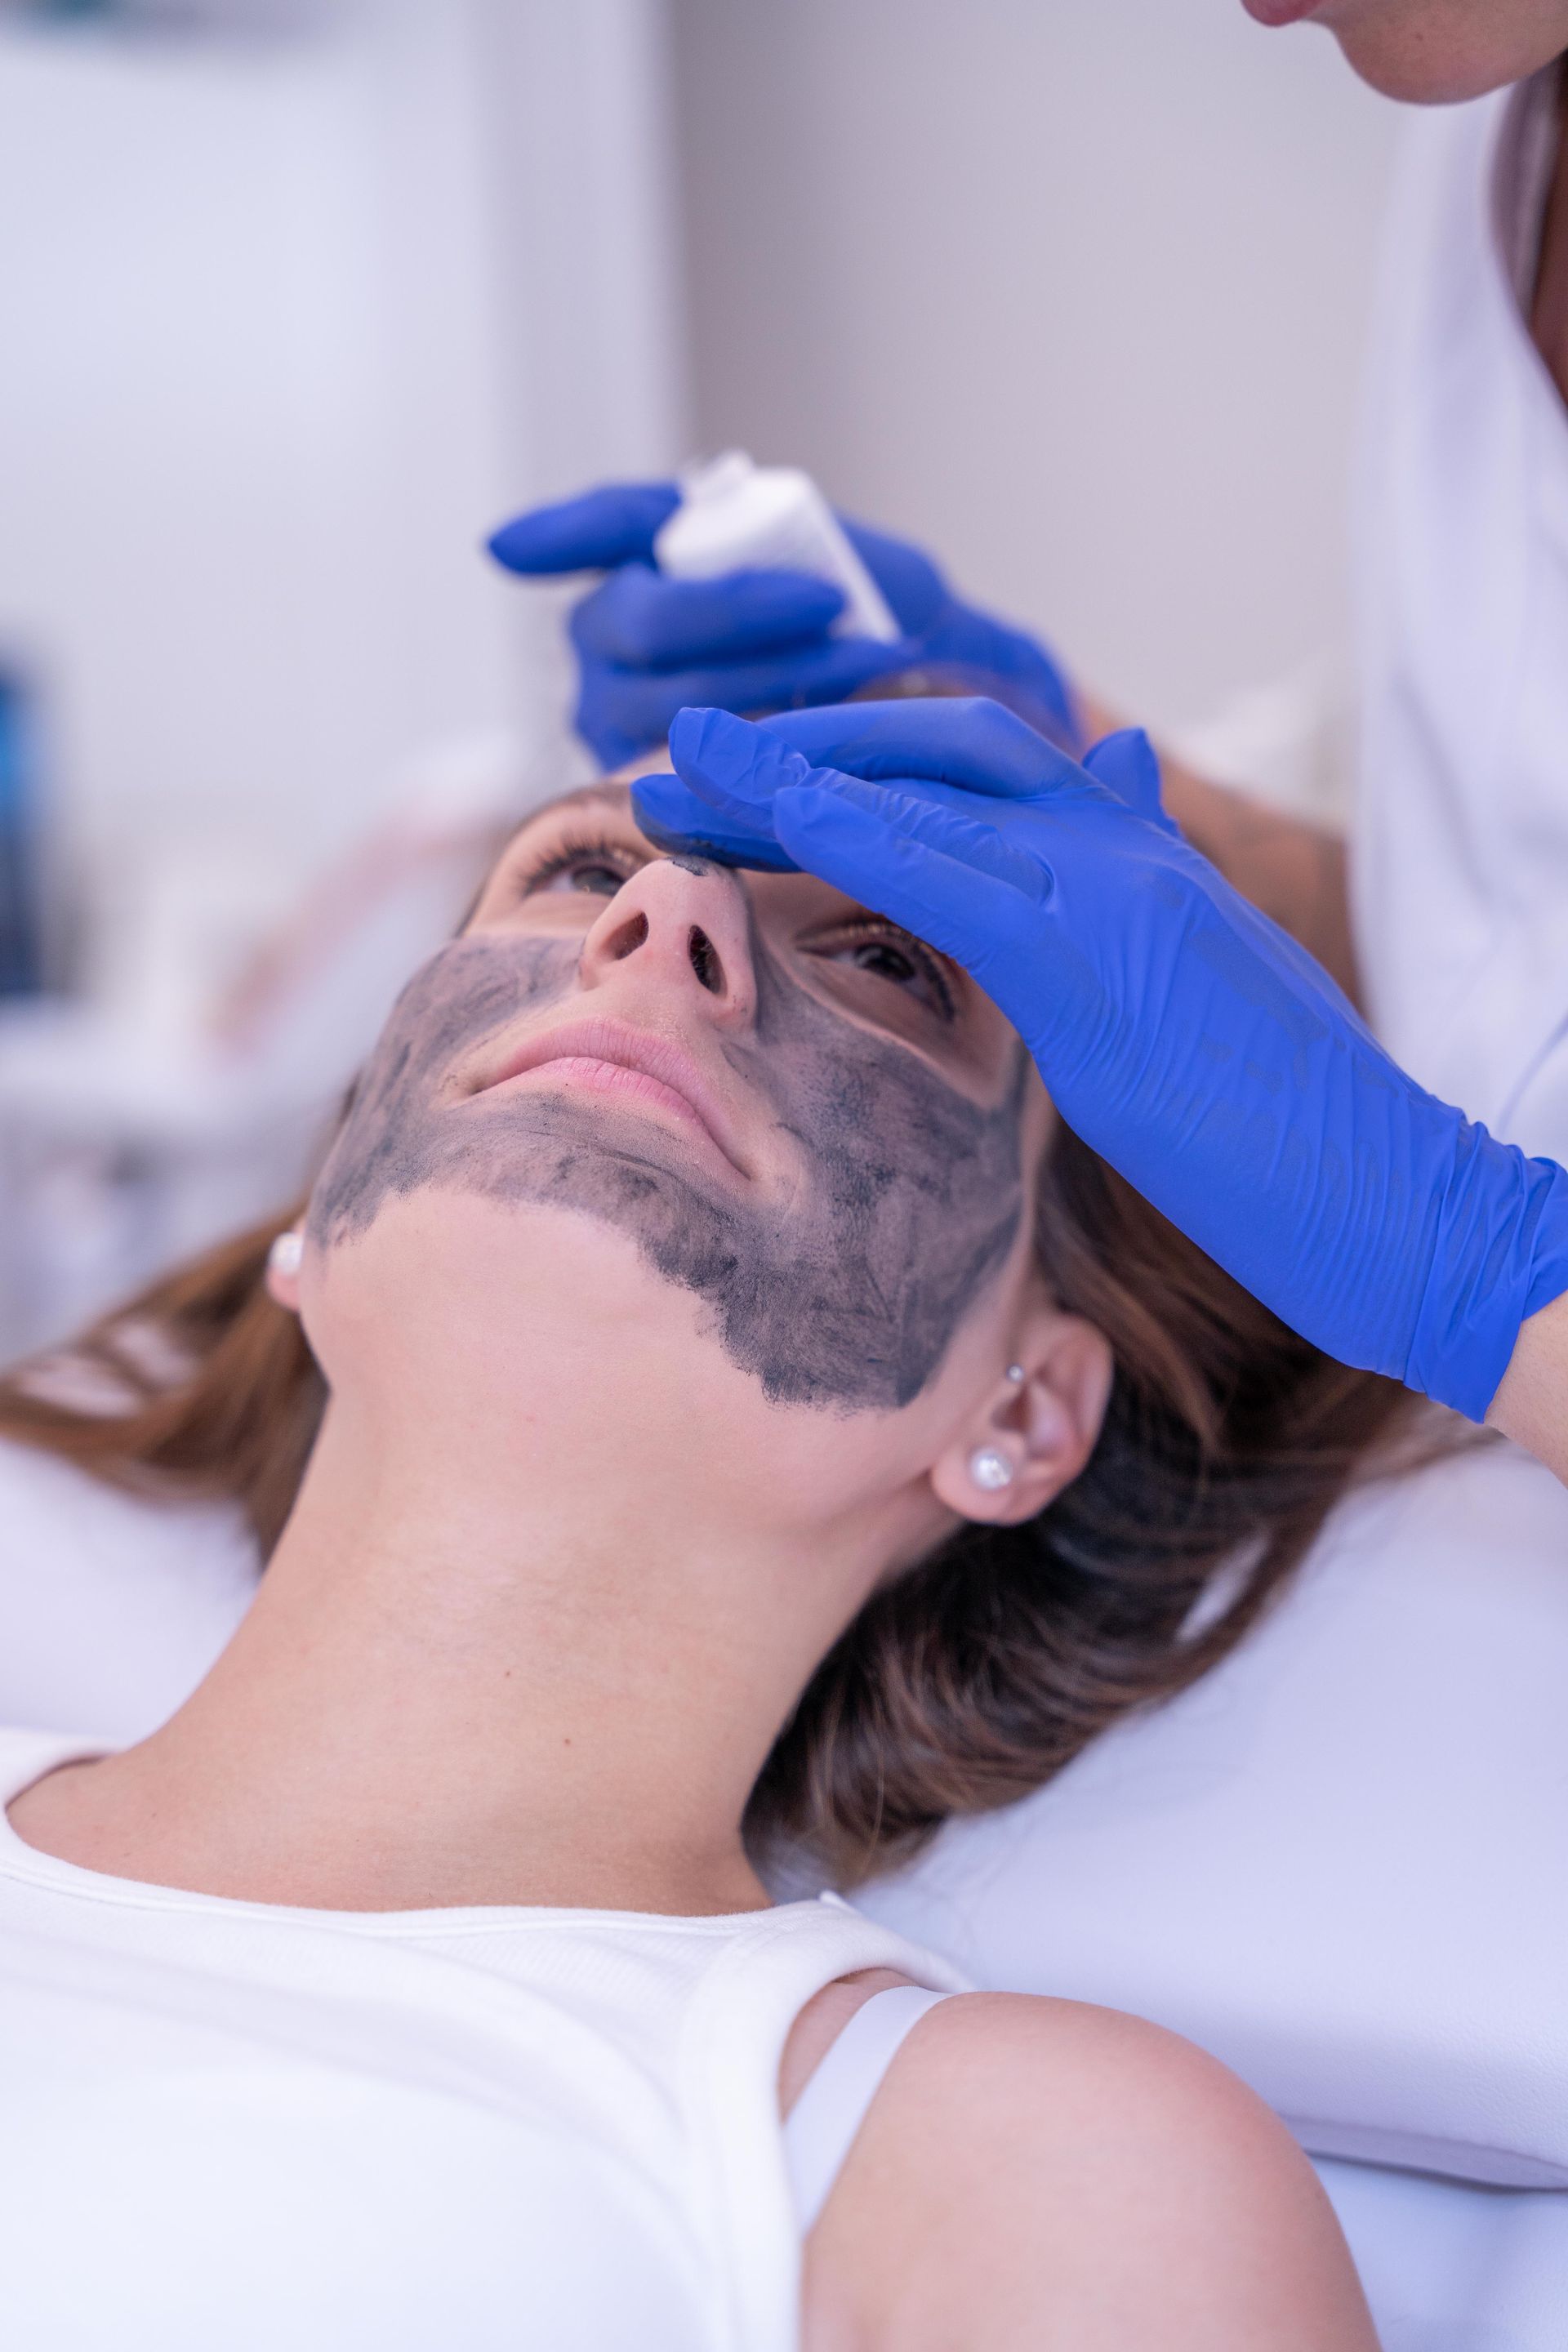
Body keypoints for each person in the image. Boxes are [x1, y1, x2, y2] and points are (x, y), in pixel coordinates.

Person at [0, 751, 1393, 2349]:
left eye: (889, 963)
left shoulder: (994, 2166)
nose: (668, 911)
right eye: (585, 869)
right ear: (317, 1205)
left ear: (1025, 1406)